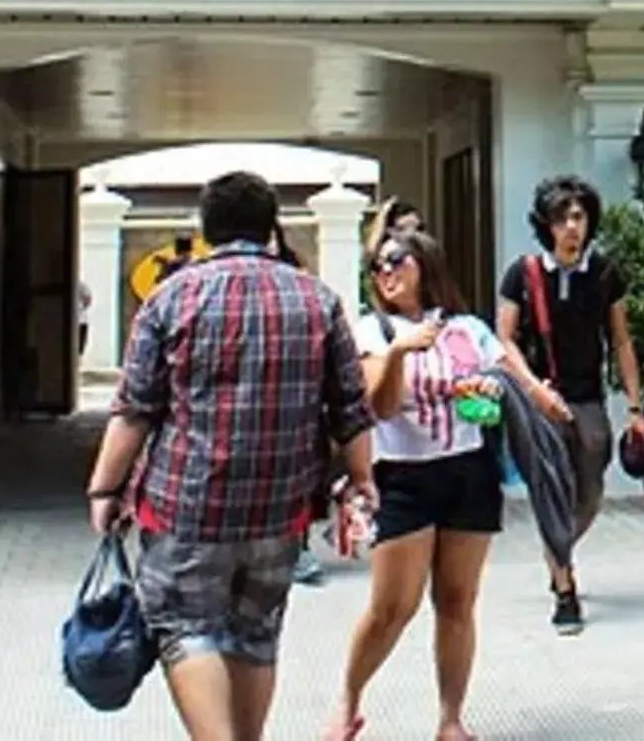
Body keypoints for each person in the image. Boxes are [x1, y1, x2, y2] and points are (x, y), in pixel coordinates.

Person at [87, 171, 375, 741]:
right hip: (281, 510)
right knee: (255, 631)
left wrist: (104, 488)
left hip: (187, 509)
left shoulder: (172, 297)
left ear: (204, 227)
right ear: (272, 226)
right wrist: (362, 481)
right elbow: (351, 408)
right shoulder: (317, 299)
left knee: (184, 628)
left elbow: (135, 408)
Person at [330, 230, 570, 741]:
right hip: (404, 476)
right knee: (393, 607)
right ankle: (348, 701)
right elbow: (382, 407)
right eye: (377, 266)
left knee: (457, 600)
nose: (386, 273)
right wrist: (398, 354)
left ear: (426, 264)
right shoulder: (372, 331)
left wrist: (521, 393)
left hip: (468, 470)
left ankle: (451, 719)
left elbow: (506, 377)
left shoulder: (466, 329)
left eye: (396, 261)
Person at [494, 173, 644, 634]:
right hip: (539, 400)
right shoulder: (522, 274)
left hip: (588, 400)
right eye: (562, 218)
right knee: (551, 489)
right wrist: (534, 390)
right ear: (546, 224)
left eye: (579, 216)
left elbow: (620, 342)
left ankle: (557, 548)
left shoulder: (604, 274)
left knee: (590, 492)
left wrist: (637, 409)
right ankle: (565, 589)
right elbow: (504, 338)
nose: (571, 226)